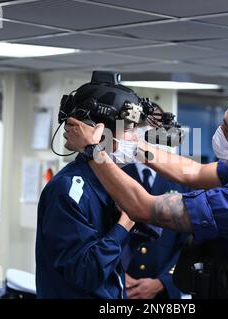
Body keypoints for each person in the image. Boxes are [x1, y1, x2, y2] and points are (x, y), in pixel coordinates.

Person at [64, 89, 228, 299]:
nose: (219, 132)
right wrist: (132, 144)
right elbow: (193, 173)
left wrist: (93, 150)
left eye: (227, 129)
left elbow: (142, 207)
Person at [35, 75, 161, 298]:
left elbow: (150, 233)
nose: (135, 139)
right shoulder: (67, 190)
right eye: (129, 130)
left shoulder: (111, 183)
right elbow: (85, 272)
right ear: (100, 134)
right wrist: (124, 223)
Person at [122, 162, 190, 299]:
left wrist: (163, 282)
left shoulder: (181, 179)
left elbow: (188, 242)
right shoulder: (118, 174)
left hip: (164, 293)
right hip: (122, 289)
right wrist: (115, 271)